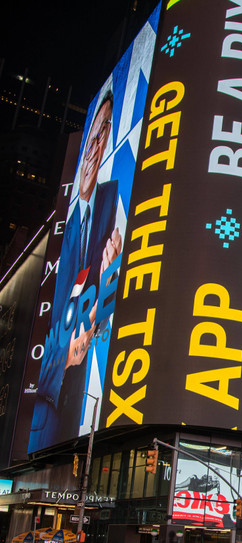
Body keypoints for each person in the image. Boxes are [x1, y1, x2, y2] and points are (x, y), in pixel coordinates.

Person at [29, 90, 122, 451]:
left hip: (76, 407)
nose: (97, 145)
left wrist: (110, 274)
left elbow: (97, 303)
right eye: (93, 134)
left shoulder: (112, 200)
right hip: (46, 407)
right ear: (84, 145)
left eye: (105, 132)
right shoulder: (64, 225)